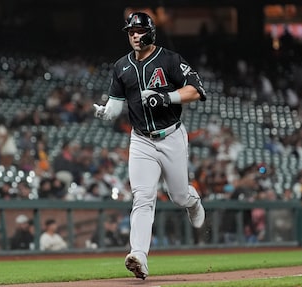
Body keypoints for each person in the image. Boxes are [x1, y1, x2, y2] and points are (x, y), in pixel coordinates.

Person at [93, 12, 206, 280]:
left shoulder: (169, 59)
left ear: (150, 32)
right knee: (142, 198)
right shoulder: (121, 66)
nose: (134, 35)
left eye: (139, 30)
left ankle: (193, 201)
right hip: (141, 139)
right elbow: (116, 105)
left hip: (171, 136)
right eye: (131, 31)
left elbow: (196, 89)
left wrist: (167, 98)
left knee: (178, 196)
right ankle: (139, 256)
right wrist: (106, 112)